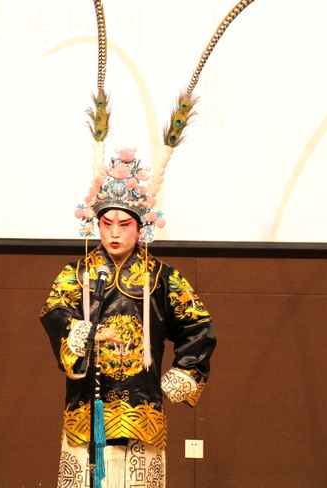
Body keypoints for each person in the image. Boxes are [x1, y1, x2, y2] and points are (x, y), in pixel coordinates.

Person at [40, 175, 217, 487]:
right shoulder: (77, 274)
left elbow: (198, 324)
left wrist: (181, 375)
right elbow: (54, 313)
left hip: (141, 404)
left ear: (140, 228)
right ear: (96, 225)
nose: (114, 233)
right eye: (107, 224)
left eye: (124, 225)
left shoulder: (162, 277)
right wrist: (85, 331)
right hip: (87, 405)